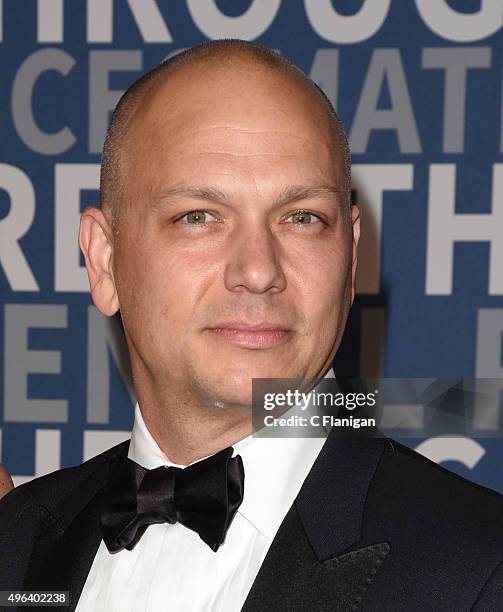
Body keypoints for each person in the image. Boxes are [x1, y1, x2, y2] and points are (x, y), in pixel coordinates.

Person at [1, 39, 503, 612]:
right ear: (104, 260)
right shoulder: (13, 547)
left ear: (351, 253)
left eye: (302, 217)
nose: (259, 271)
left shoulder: (482, 571)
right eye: (199, 217)